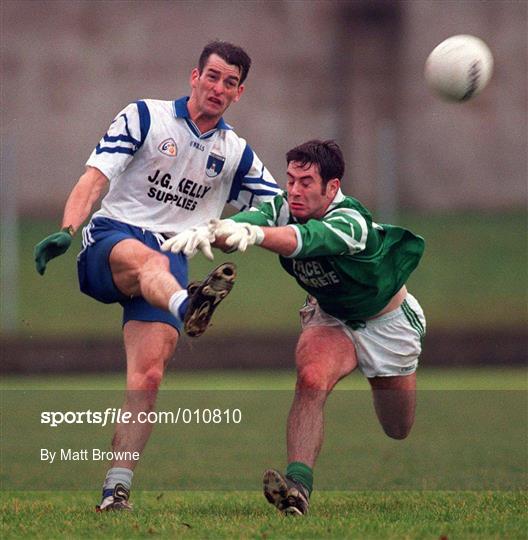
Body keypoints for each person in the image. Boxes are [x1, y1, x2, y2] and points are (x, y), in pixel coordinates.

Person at [33, 41, 281, 511]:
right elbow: (95, 178)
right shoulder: (145, 117)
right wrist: (68, 229)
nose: (218, 87)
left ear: (239, 93)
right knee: (152, 263)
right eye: (212, 76)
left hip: (172, 263)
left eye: (230, 82)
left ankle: (115, 490)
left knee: (146, 378)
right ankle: (191, 306)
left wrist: (235, 229)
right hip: (114, 242)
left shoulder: (235, 154)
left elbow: (278, 208)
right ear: (194, 76)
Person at [163, 139, 426, 516]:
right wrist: (212, 231)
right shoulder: (283, 207)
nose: (295, 190)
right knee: (311, 379)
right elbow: (244, 223)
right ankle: (298, 489)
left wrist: (257, 237)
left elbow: (305, 241)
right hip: (330, 316)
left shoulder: (352, 221)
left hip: (387, 322)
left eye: (306, 182)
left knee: (397, 427)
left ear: (332, 187)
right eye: (290, 180)